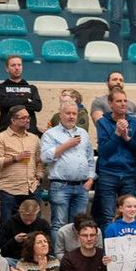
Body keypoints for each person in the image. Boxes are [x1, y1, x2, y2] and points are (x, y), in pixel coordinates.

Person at [40, 97, 95, 234]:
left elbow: (90, 158)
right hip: (60, 186)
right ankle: (59, 249)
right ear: (60, 115)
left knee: (79, 225)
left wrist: (90, 179)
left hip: (82, 186)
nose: (71, 116)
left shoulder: (83, 133)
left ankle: (76, 249)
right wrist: (66, 145)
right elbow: (45, 157)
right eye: (68, 113)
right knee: (59, 224)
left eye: (74, 113)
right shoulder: (50, 134)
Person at [0, 55, 42, 135]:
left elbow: (38, 106)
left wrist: (13, 100)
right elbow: (4, 103)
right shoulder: (0, 87)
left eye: (19, 65)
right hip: (7, 132)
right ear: (7, 69)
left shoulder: (32, 88)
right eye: (13, 65)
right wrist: (27, 100)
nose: (17, 68)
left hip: (29, 132)